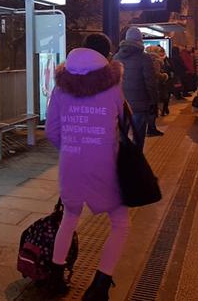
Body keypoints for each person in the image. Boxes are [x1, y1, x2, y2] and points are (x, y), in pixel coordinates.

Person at [46, 47, 129, 300]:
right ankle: (100, 285)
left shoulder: (60, 91)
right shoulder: (113, 89)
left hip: (70, 163)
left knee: (70, 217)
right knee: (120, 224)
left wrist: (72, 147)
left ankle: (55, 276)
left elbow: (52, 131)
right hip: (105, 164)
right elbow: (126, 124)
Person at [113, 28, 157, 150]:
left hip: (121, 105)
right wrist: (153, 101)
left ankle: (123, 163)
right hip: (140, 105)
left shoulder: (116, 57)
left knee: (122, 137)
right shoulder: (144, 58)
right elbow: (150, 83)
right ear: (140, 40)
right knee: (138, 137)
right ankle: (137, 163)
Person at [144, 46, 166, 136]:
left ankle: (150, 128)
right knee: (153, 108)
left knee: (148, 108)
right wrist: (165, 76)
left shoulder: (144, 59)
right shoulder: (156, 61)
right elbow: (156, 75)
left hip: (145, 87)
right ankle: (151, 128)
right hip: (154, 87)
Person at [158, 46, 173, 115]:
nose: (161, 53)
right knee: (162, 96)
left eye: (162, 51)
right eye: (159, 52)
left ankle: (165, 107)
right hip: (160, 81)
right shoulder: (157, 60)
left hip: (168, 80)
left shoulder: (167, 59)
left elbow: (172, 68)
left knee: (167, 95)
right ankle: (163, 109)